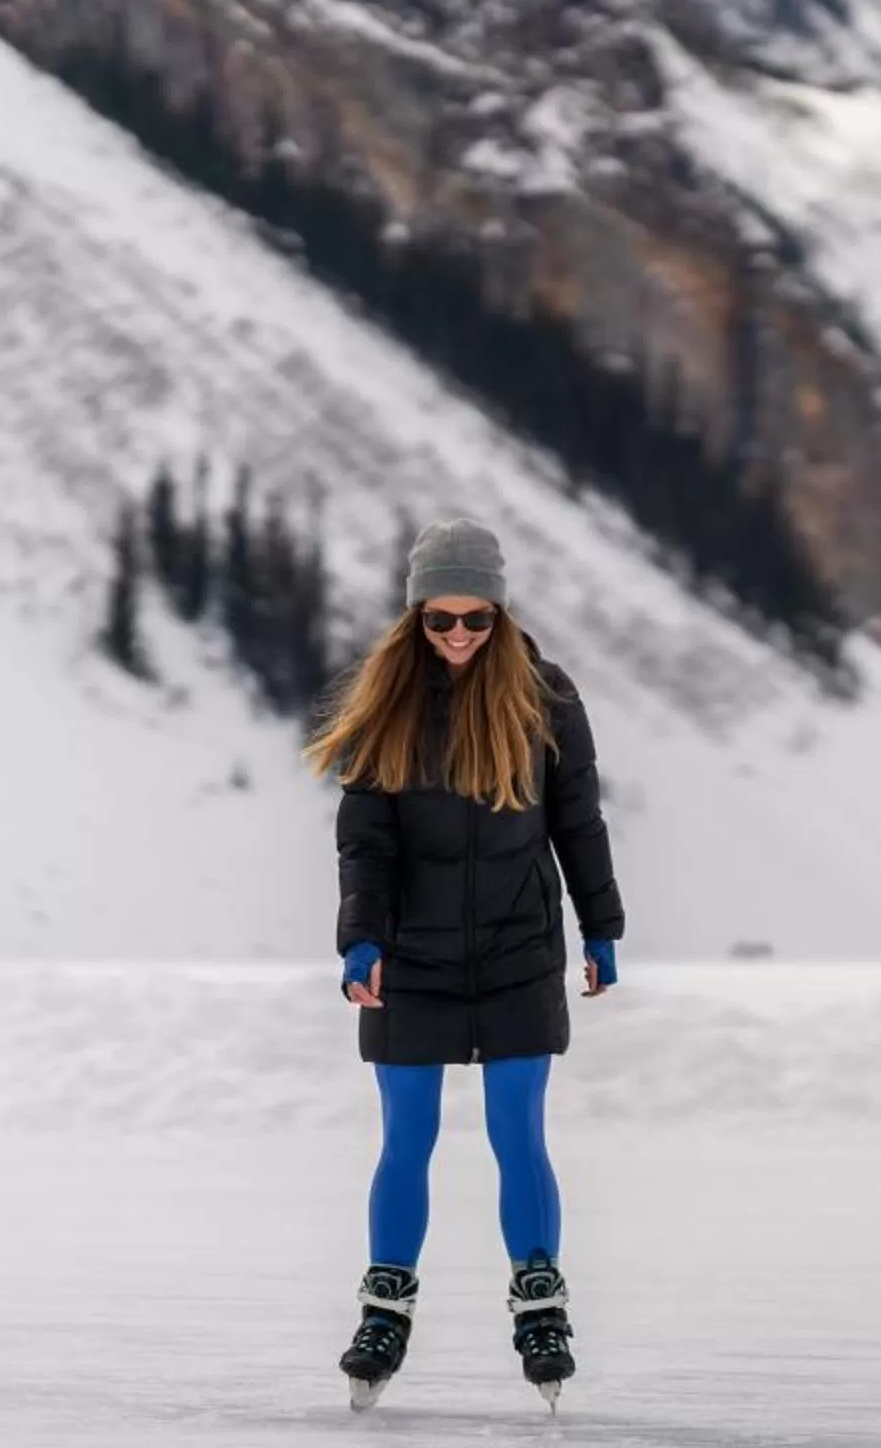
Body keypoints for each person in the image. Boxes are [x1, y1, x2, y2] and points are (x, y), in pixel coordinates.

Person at [312, 520, 625, 1411]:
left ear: (499, 612)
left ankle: (540, 1304)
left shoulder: (545, 698)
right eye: (439, 619)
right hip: (410, 957)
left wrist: (601, 926)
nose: (457, 635)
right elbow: (365, 844)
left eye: (475, 619)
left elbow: (578, 821)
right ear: (416, 617)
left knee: (516, 1134)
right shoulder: (388, 702)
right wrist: (361, 939)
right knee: (406, 1137)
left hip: (518, 952)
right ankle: (385, 1309)